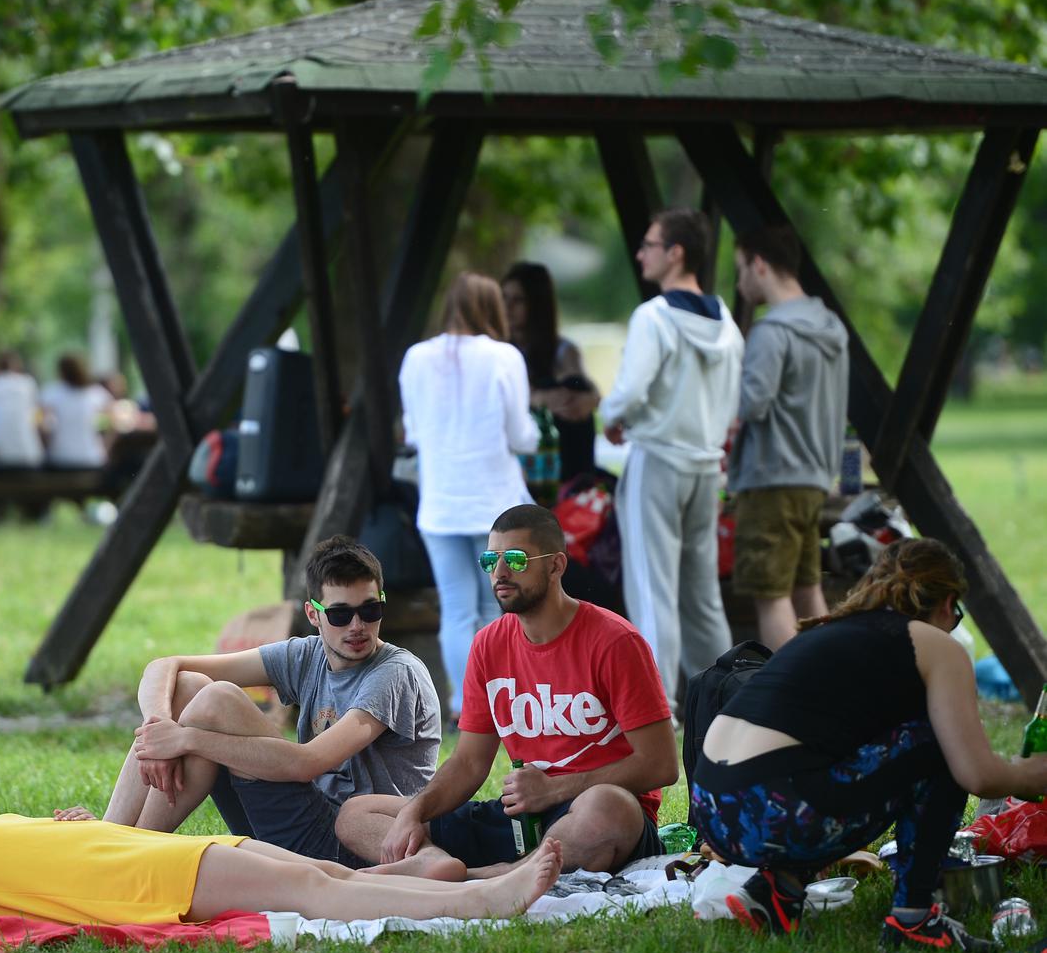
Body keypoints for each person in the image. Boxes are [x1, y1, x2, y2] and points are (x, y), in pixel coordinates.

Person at [691, 538, 1047, 952]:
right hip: (776, 809)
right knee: (935, 746)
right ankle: (914, 919)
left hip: (712, 811)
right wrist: (1029, 772)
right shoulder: (934, 644)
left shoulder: (830, 633)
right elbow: (977, 774)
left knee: (842, 763)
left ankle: (775, 894)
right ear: (948, 603)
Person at [335, 504, 677, 879]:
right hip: (523, 816)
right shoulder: (488, 644)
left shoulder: (615, 642)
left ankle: (494, 878)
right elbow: (468, 763)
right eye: (490, 560)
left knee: (608, 809)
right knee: (357, 813)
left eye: (516, 559)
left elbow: (660, 764)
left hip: (596, 811)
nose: (499, 573)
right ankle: (439, 867)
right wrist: (413, 812)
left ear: (556, 565)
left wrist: (554, 789)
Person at [99, 535, 441, 867]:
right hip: (301, 824)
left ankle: (125, 853)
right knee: (188, 687)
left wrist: (185, 738)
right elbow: (165, 667)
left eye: (370, 610)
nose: (357, 626)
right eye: (340, 614)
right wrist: (158, 728)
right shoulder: (308, 654)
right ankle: (108, 834)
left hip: (350, 844)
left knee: (217, 700)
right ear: (313, 614)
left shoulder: (395, 673)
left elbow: (308, 763)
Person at [0, 813, 563, 928]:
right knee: (321, 891)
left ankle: (451, 881)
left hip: (137, 853)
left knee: (320, 869)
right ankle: (487, 901)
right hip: (141, 885)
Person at [600, 209, 744, 706]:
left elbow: (631, 388)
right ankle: (728, 695)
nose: (641, 253)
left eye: (649, 244)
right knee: (702, 593)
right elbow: (733, 402)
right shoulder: (725, 319)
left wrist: (612, 414)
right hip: (706, 467)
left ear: (675, 252)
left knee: (652, 586)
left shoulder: (654, 316)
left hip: (658, 460)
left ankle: (656, 706)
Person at [399, 271, 538, 721]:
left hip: (439, 504)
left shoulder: (416, 358)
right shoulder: (504, 357)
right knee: (501, 607)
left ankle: (465, 707)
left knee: (457, 611)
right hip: (494, 506)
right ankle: (506, 705)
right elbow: (522, 436)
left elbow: (414, 433)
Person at [727, 225, 849, 648]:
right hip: (814, 479)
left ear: (760, 264)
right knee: (807, 589)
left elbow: (751, 403)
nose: (741, 281)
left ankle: (787, 700)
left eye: (741, 268)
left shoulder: (771, 332)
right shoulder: (832, 327)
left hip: (770, 480)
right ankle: (827, 683)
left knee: (771, 595)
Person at [500, 263, 599, 483]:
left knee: (576, 387)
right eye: (503, 298)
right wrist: (537, 398)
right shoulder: (496, 349)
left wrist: (587, 399)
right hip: (511, 444)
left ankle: (575, 484)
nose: (507, 307)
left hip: (552, 444)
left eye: (517, 300)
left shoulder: (562, 350)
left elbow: (585, 389)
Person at [39, 353, 113, 469]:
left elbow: (43, 428)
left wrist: (49, 446)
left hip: (60, 458)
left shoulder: (51, 393)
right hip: (91, 458)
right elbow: (112, 425)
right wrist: (104, 448)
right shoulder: (97, 394)